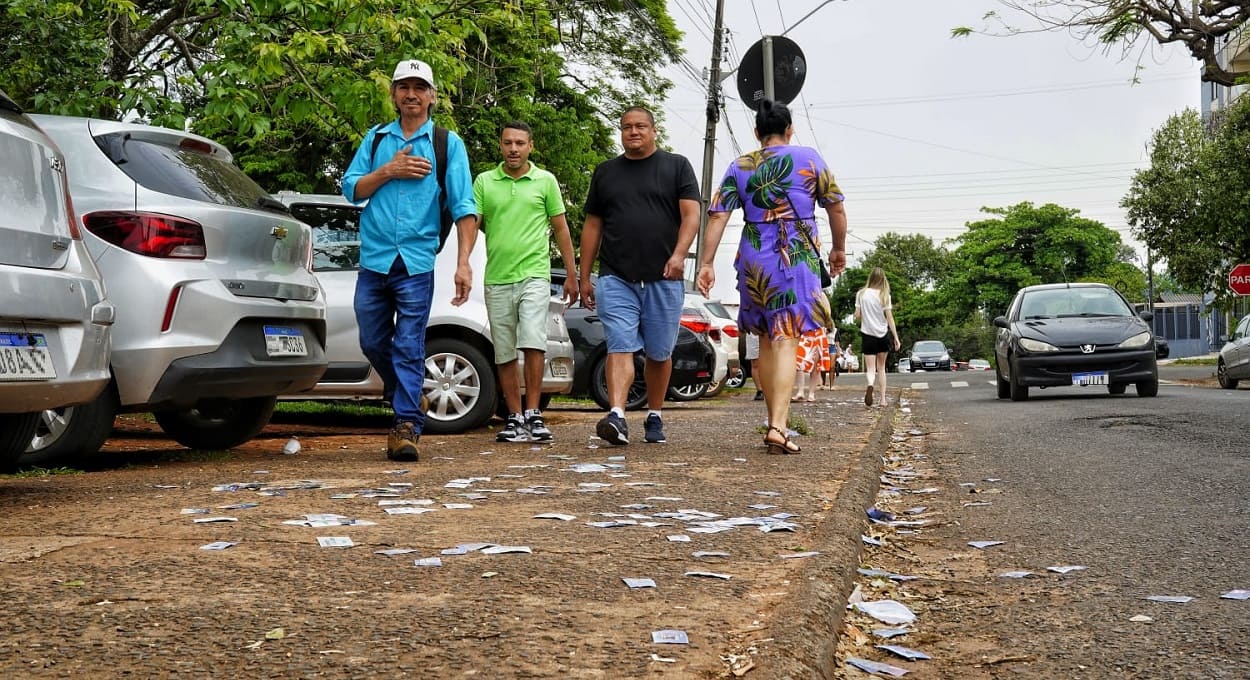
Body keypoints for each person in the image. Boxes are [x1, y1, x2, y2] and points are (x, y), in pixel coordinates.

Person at [342, 58, 478, 461]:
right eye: (404, 87)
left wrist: (464, 262)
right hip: (375, 259)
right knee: (371, 340)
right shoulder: (376, 138)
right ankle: (411, 392)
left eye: (420, 88)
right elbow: (352, 189)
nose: (412, 94)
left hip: (416, 262)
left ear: (432, 96)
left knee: (408, 343)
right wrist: (389, 170)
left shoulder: (447, 143)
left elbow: (464, 206)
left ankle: (406, 427)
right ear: (393, 94)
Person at [696, 99, 847, 455]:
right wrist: (838, 250)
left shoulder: (741, 165)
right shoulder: (809, 159)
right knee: (787, 338)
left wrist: (706, 263)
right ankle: (778, 426)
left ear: (757, 132)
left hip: (754, 256)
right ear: (790, 129)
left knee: (765, 338)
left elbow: (717, 215)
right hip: (794, 254)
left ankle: (773, 422)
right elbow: (836, 206)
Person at [580, 106, 701, 446]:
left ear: (653, 130)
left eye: (640, 126)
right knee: (619, 345)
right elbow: (593, 226)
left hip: (663, 277)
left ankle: (655, 414)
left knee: (659, 353)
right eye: (627, 127)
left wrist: (679, 255)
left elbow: (691, 215)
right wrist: (585, 275)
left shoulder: (676, 166)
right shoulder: (606, 172)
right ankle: (617, 415)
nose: (633, 132)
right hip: (616, 276)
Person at [473, 121, 578, 442]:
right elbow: (473, 224)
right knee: (504, 350)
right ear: (500, 145)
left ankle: (534, 413)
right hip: (497, 278)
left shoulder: (545, 181)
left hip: (534, 275)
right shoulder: (485, 181)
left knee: (533, 341)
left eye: (520, 143)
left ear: (530, 146)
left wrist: (572, 273)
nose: (513, 149)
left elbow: (560, 228)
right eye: (508, 143)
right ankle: (514, 417)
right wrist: (463, 263)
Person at [854, 267, 901, 407]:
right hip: (882, 334)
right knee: (881, 368)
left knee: (870, 369)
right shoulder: (885, 295)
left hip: (868, 334)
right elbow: (890, 318)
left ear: (871, 278)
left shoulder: (861, 294)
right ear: (882, 279)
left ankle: (870, 384)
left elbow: (857, 315)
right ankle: (883, 399)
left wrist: (860, 315)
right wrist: (896, 337)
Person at [744, 332, 764, 400]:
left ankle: (772, 390)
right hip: (753, 334)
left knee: (771, 362)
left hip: (769, 333)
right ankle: (760, 391)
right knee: (755, 363)